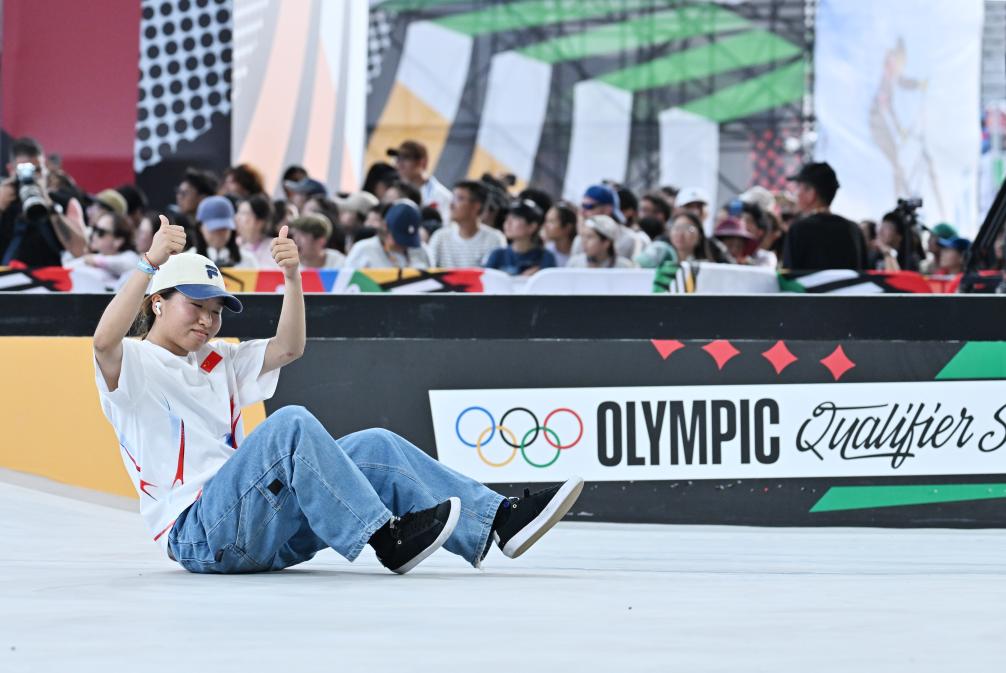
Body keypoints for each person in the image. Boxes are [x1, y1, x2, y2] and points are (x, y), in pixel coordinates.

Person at [91, 217, 584, 574]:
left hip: (262, 526)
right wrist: (149, 262)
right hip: (200, 533)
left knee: (376, 445)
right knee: (290, 425)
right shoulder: (132, 365)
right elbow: (103, 341)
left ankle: (497, 521)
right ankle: (384, 537)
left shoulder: (220, 358)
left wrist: (291, 277)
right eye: (196, 306)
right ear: (157, 303)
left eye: (217, 311)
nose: (207, 319)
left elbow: (289, 347)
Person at [0, 136, 88, 266]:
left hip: (49, 281)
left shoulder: (64, 202)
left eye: (37, 170)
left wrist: (50, 206)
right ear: (11, 170)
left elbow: (80, 250)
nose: (31, 177)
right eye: (23, 171)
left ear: (45, 167)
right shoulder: (4, 200)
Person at [782, 162, 867, 271]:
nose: (795, 194)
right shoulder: (854, 230)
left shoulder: (799, 230)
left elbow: (789, 278)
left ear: (811, 193)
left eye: (798, 187)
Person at [427, 180, 506, 268]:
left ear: (476, 206)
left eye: (459, 199)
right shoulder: (440, 236)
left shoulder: (494, 240)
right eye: (453, 198)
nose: (451, 205)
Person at [344, 200, 431, 269]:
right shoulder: (363, 250)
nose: (404, 245)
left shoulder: (422, 251)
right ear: (385, 227)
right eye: (400, 237)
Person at [484, 199, 556, 276]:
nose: (508, 223)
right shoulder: (497, 255)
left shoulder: (545, 257)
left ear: (532, 226)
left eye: (515, 218)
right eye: (507, 218)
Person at [67, 212, 140, 287]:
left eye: (100, 232)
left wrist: (95, 261)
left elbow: (126, 264)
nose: (94, 235)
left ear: (118, 241)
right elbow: (67, 268)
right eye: (94, 229)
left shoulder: (130, 257)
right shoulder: (94, 257)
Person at [387, 140, 452, 224]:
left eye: (406, 158)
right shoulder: (391, 192)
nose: (399, 163)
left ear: (422, 162)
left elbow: (444, 226)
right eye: (398, 158)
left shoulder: (442, 196)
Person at [195, 196, 256, 268]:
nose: (219, 233)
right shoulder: (188, 260)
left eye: (224, 228)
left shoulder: (248, 261)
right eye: (213, 228)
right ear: (200, 228)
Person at [567, 215, 634, 269]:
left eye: (590, 237)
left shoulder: (625, 268)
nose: (584, 241)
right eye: (583, 236)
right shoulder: (574, 264)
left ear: (606, 242)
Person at [236, 194, 277, 268]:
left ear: (260, 221)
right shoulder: (234, 245)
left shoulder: (274, 248)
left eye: (244, 213)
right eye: (238, 213)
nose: (237, 218)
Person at [543, 201, 577, 267]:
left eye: (551, 222)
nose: (545, 226)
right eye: (546, 221)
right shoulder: (546, 252)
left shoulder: (580, 251)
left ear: (567, 227)